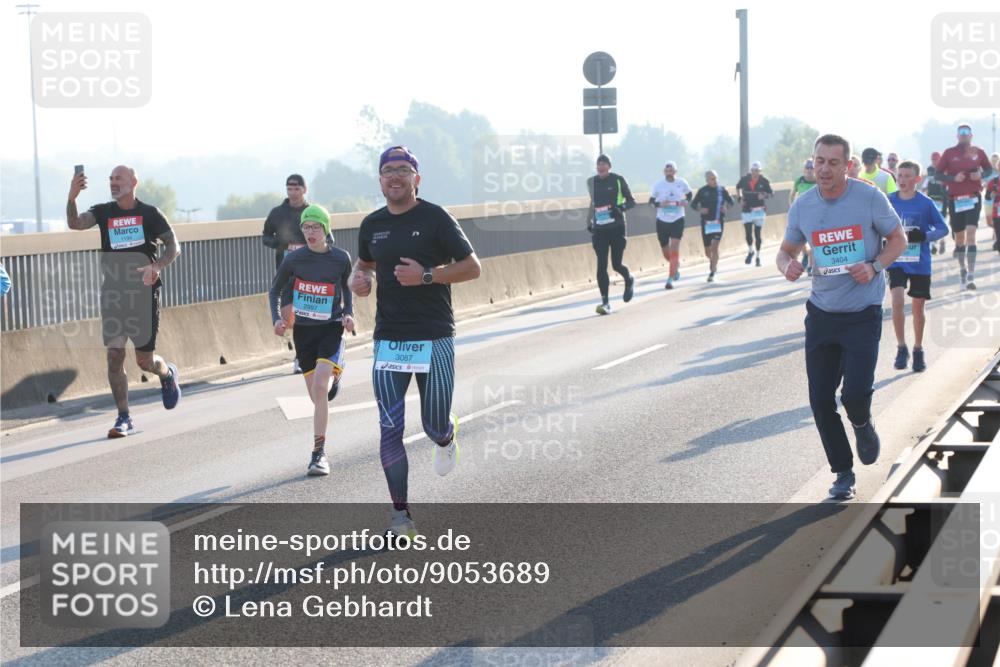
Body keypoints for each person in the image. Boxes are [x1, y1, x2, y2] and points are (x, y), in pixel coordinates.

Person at [350, 146, 481, 537]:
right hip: (390, 338)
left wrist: (428, 276)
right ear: (379, 179)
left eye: (403, 170)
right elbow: (364, 265)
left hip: (434, 336)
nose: (395, 176)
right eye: (388, 170)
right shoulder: (371, 225)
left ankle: (446, 434)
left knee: (431, 424)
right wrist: (359, 281)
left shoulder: (436, 217)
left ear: (416, 179)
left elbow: (473, 267)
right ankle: (400, 514)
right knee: (389, 427)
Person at [777, 134, 906, 500]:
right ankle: (843, 474)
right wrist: (787, 264)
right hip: (821, 314)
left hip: (862, 314)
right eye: (819, 161)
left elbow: (898, 240)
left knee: (853, 396)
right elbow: (786, 251)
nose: (824, 169)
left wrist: (874, 265)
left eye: (833, 163)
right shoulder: (803, 206)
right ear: (812, 161)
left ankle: (863, 424)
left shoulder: (868, 198)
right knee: (820, 400)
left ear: (847, 165)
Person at [67, 165, 182, 438]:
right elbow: (75, 223)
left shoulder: (150, 214)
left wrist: (157, 266)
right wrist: (72, 197)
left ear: (134, 182)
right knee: (114, 354)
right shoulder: (104, 212)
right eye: (110, 179)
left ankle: (166, 374)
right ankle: (124, 417)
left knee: (145, 361)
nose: (113, 183)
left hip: (143, 295)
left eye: (119, 179)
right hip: (114, 295)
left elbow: (173, 246)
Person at [269, 204, 354, 476]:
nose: (310, 232)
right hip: (304, 333)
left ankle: (318, 454)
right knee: (319, 395)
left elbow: (346, 290)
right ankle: (334, 379)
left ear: (326, 229)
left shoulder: (341, 258)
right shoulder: (294, 259)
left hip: (330, 329)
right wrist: (277, 319)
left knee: (319, 388)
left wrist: (349, 314)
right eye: (306, 228)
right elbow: (275, 290)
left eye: (316, 227)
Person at [887, 161, 950, 373]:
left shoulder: (925, 203)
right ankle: (901, 347)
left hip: (920, 262)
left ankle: (918, 349)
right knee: (896, 301)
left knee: (917, 307)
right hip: (896, 260)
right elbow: (875, 225)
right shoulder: (889, 201)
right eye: (900, 175)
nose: (902, 180)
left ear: (917, 179)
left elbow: (943, 229)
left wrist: (924, 236)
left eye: (907, 176)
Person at [935, 124, 995, 290]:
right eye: (961, 133)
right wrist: (954, 178)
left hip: (973, 199)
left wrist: (981, 175)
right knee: (959, 238)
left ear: (971, 135)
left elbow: (990, 170)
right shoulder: (949, 153)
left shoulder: (978, 152)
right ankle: (963, 269)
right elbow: (937, 174)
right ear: (957, 136)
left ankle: (971, 274)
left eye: (966, 132)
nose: (963, 135)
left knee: (971, 234)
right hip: (956, 200)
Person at [263, 174, 311, 373]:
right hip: (286, 272)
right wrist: (282, 244)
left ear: (304, 190)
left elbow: (329, 239)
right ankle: (303, 354)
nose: (292, 193)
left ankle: (302, 357)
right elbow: (266, 237)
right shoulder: (277, 213)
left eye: (296, 189)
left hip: (310, 273)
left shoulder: (313, 212)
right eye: (289, 189)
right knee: (290, 317)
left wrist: (308, 245)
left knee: (306, 316)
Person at [586, 154, 636, 310]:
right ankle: (605, 302)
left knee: (616, 264)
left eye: (603, 164)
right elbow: (593, 203)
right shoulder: (591, 182)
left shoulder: (618, 180)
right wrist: (589, 220)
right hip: (600, 229)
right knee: (601, 265)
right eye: (598, 164)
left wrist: (619, 209)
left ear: (609, 166)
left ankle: (628, 279)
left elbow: (631, 201)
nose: (600, 167)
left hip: (617, 227)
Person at [649, 160, 692, 289]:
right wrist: (659, 204)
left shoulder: (682, 183)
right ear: (664, 172)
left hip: (678, 219)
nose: (669, 173)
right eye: (667, 171)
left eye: (671, 171)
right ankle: (675, 266)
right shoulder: (658, 185)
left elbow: (689, 194)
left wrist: (686, 201)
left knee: (674, 247)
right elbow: (651, 202)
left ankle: (670, 278)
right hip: (662, 220)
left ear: (675, 171)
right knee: (665, 250)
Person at [691, 170, 734, 282]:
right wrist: (700, 209)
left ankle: (712, 270)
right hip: (706, 223)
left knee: (715, 246)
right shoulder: (702, 191)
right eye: (712, 179)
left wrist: (726, 208)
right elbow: (693, 204)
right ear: (707, 180)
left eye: (716, 178)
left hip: (718, 222)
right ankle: (712, 261)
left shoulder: (722, 190)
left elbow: (731, 201)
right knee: (707, 250)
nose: (715, 181)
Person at [735, 161, 773, 267]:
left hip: (759, 210)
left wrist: (764, 195)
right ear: (750, 171)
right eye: (753, 171)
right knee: (748, 233)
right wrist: (739, 198)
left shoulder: (764, 181)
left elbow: (771, 193)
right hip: (747, 209)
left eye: (757, 171)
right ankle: (751, 250)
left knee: (757, 234)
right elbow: (737, 187)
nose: (755, 173)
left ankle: (758, 256)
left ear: (760, 171)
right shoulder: (744, 179)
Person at [790, 159, 818, 275]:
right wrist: (792, 208)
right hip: (801, 214)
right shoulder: (799, 180)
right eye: (807, 168)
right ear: (804, 169)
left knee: (813, 242)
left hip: (815, 214)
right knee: (800, 240)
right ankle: (805, 254)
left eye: (811, 168)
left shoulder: (818, 180)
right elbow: (792, 194)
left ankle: (811, 266)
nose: (809, 170)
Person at [922, 162, 950, 256]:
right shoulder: (938, 179)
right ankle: (937, 243)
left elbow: (923, 190)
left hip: (939, 204)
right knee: (938, 224)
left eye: (931, 172)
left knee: (937, 224)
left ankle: (938, 242)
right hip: (937, 204)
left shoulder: (930, 180)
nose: (930, 174)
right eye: (929, 172)